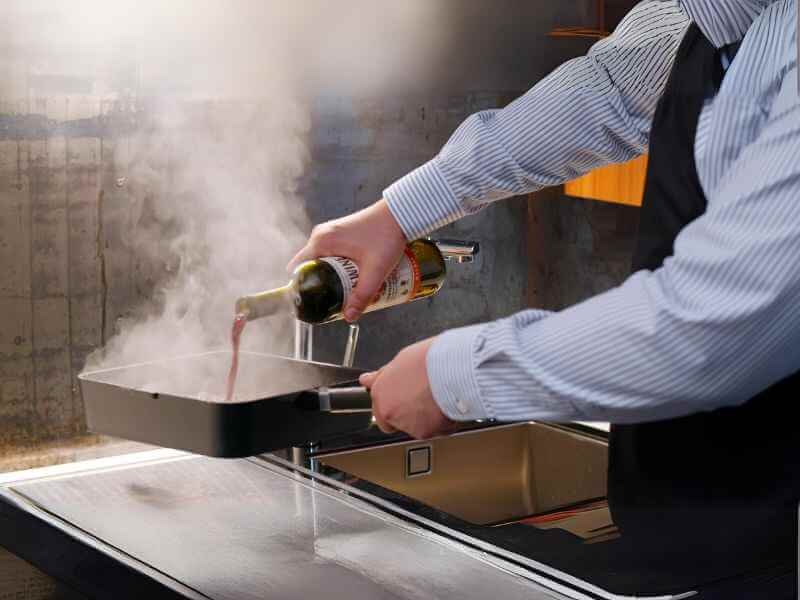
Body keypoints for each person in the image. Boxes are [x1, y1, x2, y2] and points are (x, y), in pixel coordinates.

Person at [291, 1, 799, 595]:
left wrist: (454, 372)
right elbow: (608, 90)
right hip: (700, 521)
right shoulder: (718, 15)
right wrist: (397, 213)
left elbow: (708, 331)